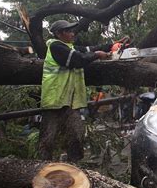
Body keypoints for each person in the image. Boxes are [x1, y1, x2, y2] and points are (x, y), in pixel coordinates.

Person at [38, 20, 111, 162]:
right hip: (55, 98)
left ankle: (75, 165)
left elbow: (88, 49)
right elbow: (78, 59)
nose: (73, 34)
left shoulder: (68, 46)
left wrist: (111, 45)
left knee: (76, 134)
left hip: (70, 99)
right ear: (59, 34)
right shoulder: (56, 46)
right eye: (69, 31)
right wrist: (97, 55)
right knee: (48, 137)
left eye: (72, 31)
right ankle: (43, 165)